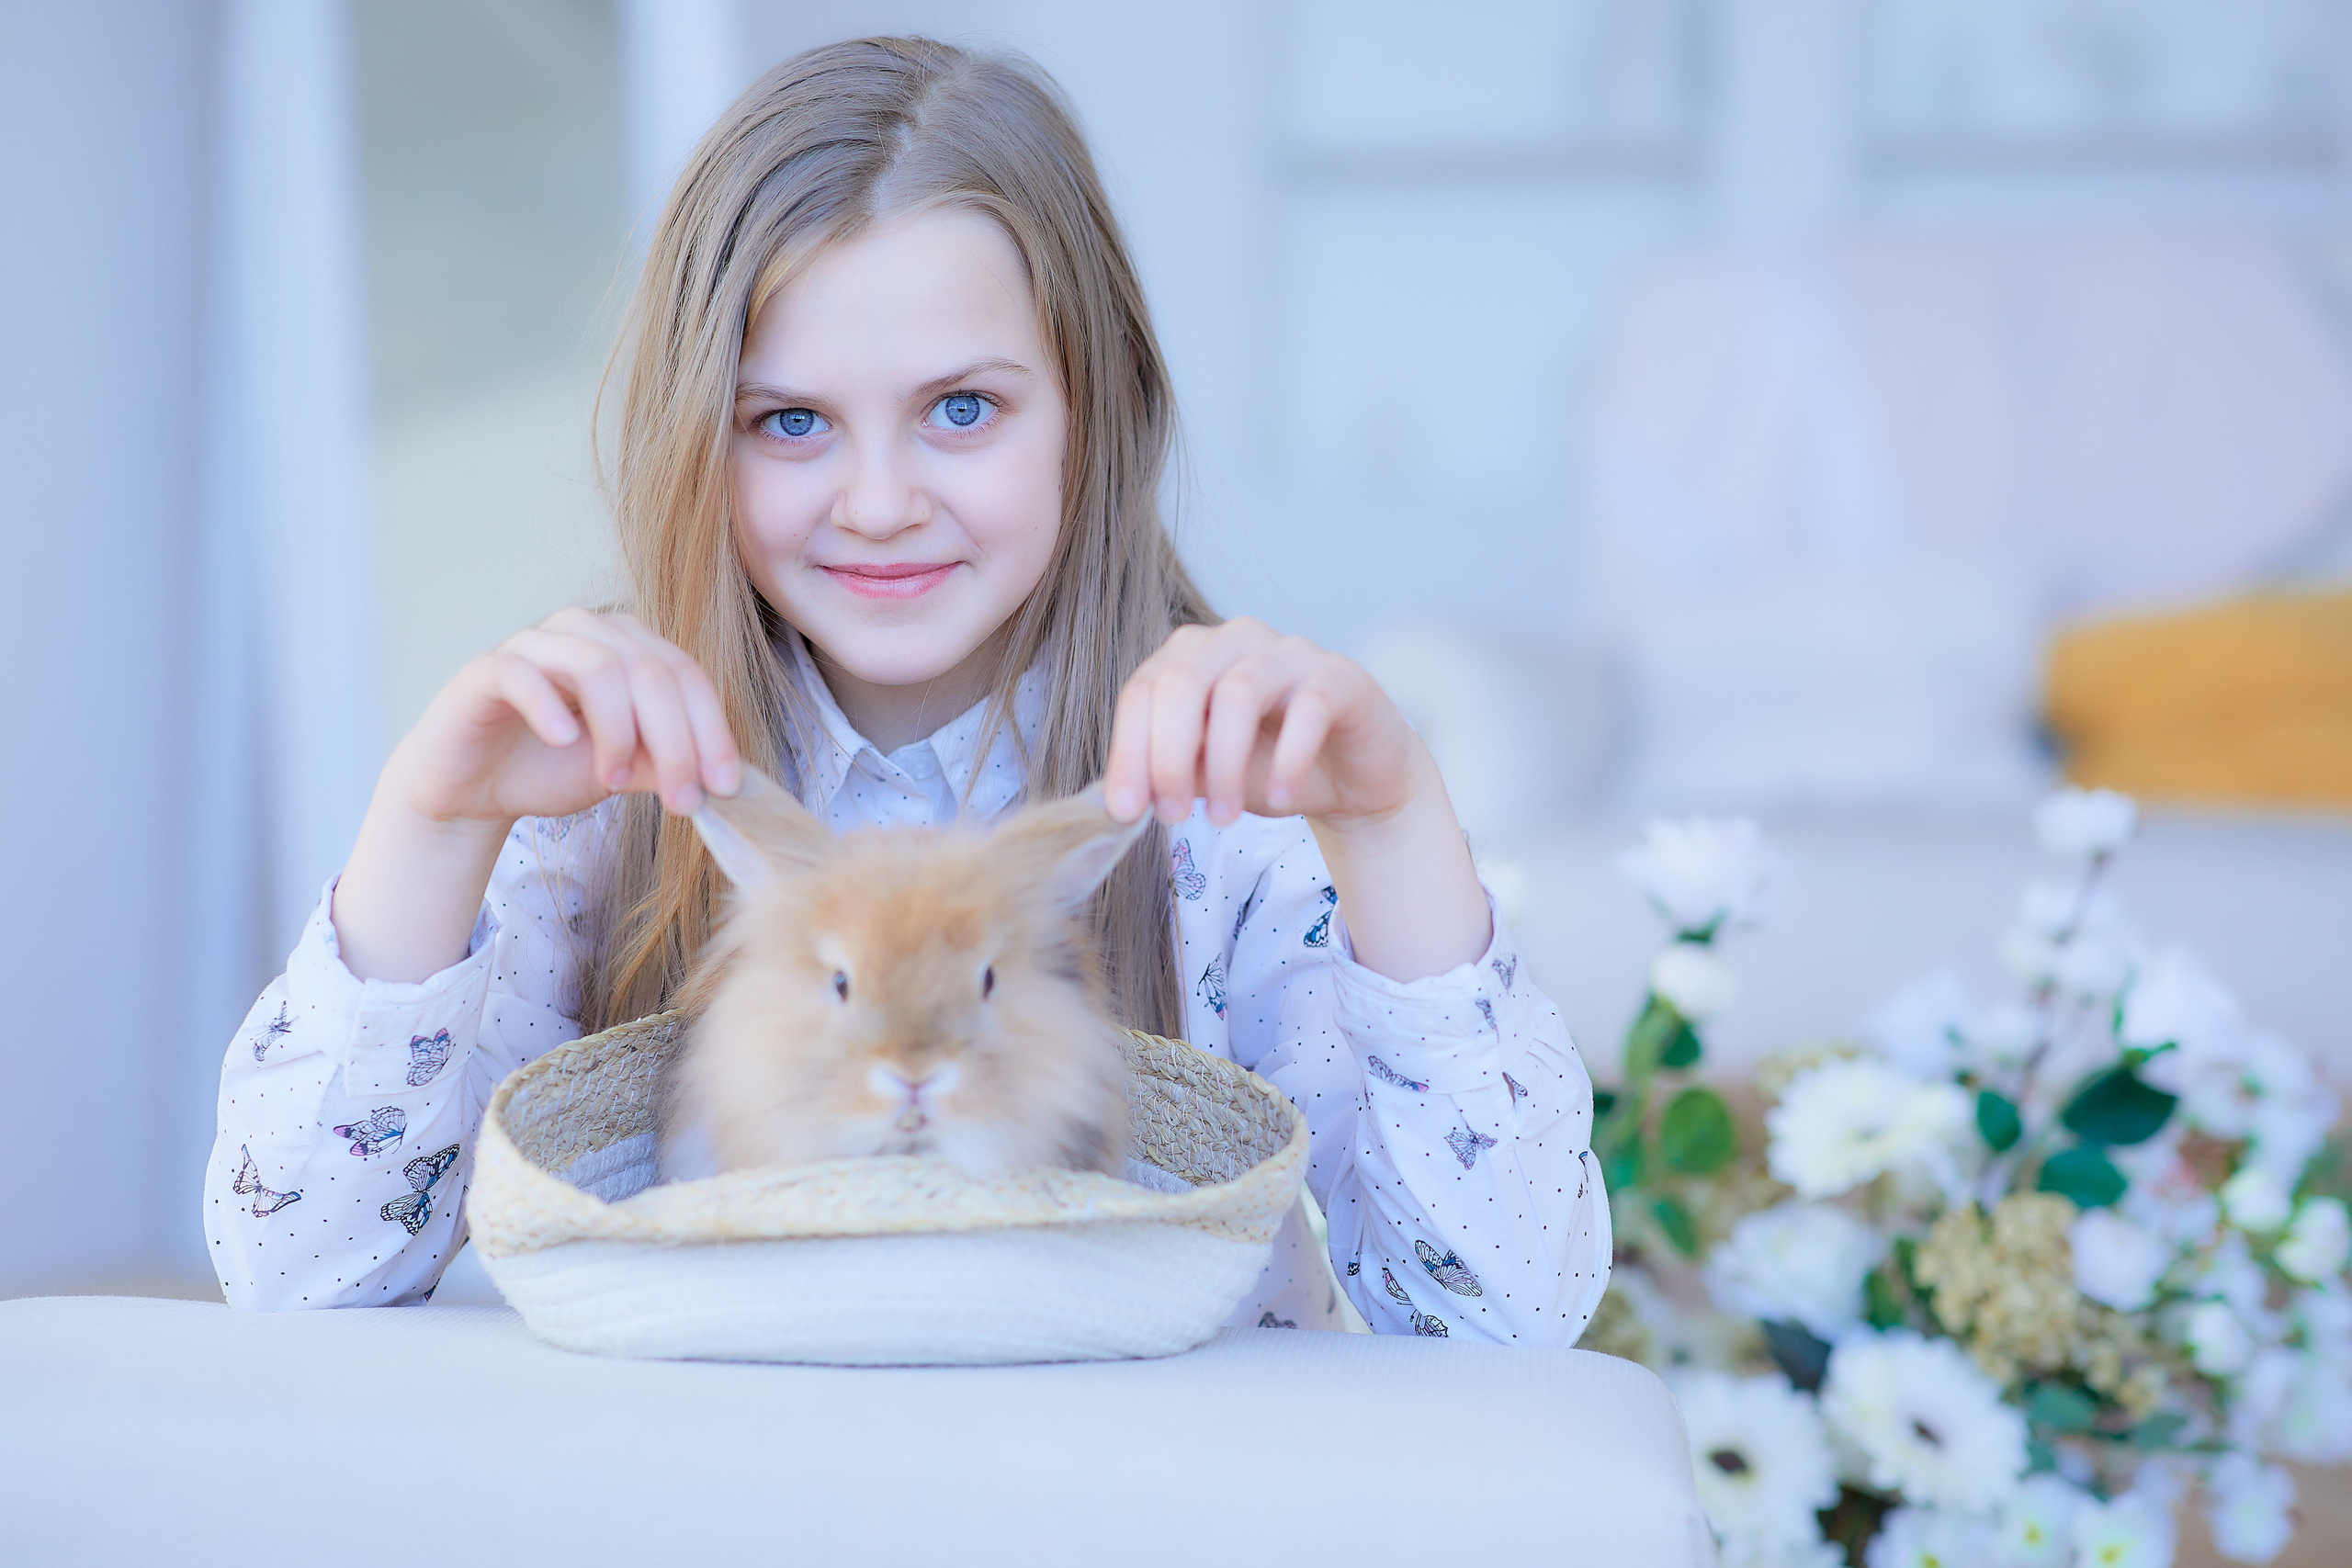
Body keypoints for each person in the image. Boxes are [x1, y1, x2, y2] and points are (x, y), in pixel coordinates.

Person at [207, 36, 1608, 1341]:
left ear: (1097, 401)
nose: (878, 504)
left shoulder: (1229, 813)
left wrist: (1390, 825)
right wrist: (436, 826)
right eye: (793, 421)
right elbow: (301, 1280)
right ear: (700, 430)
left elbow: (1499, 1320)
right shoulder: (595, 799)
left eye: (961, 409)